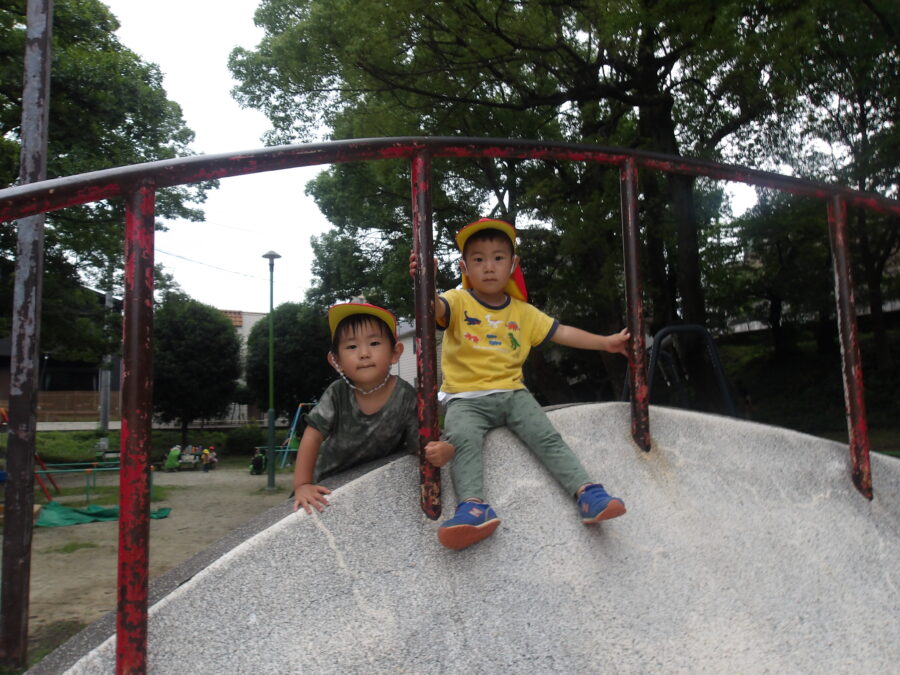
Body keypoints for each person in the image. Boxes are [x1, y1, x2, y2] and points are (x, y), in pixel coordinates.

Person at [410, 218, 631, 550]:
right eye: (478, 259)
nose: (488, 267)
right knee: (464, 440)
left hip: (513, 394)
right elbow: (434, 308)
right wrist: (425, 282)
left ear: (512, 265)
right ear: (464, 267)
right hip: (465, 398)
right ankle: (473, 508)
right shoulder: (458, 300)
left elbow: (562, 332)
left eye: (498, 258)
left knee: (547, 436)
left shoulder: (523, 312)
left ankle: (587, 493)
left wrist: (606, 343)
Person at [292, 302, 456, 514]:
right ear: (336, 361)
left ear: (395, 353)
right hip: (324, 481)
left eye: (374, 343)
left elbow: (419, 443)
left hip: (370, 486)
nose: (364, 353)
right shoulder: (337, 394)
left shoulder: (405, 396)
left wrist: (441, 449)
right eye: (352, 347)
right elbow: (312, 436)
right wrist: (303, 484)